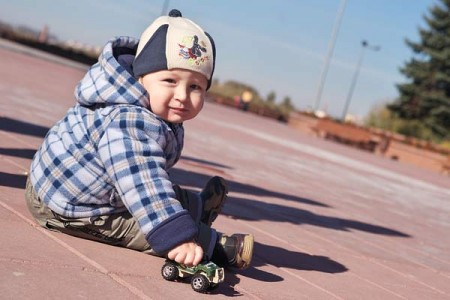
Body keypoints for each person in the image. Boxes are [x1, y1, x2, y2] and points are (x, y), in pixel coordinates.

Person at [25, 9, 253, 269]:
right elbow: (142, 183)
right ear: (141, 78)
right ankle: (213, 245)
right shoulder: (128, 122)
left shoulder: (153, 109)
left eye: (195, 87)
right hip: (68, 205)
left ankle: (197, 207)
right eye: (170, 80)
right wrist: (177, 238)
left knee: (160, 190)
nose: (182, 95)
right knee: (149, 225)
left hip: (83, 185)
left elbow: (148, 173)